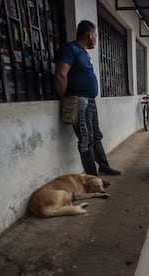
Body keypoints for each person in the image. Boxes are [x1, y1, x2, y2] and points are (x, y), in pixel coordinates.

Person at [54, 20, 120, 176]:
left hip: (90, 101)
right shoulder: (71, 49)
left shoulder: (84, 53)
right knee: (86, 140)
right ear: (89, 34)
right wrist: (68, 100)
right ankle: (93, 178)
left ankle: (104, 166)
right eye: (95, 35)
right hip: (79, 101)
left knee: (96, 135)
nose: (96, 39)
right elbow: (60, 75)